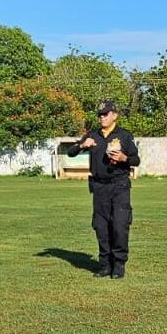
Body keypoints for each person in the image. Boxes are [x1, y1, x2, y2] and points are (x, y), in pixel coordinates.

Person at [67, 99, 139, 278]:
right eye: (100, 115)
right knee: (101, 226)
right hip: (99, 186)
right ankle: (105, 264)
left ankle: (119, 264)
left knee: (119, 225)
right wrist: (82, 145)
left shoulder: (124, 135)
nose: (102, 118)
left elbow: (136, 160)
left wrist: (124, 158)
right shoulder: (93, 135)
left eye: (105, 114)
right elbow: (71, 152)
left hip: (119, 185)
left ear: (114, 115)